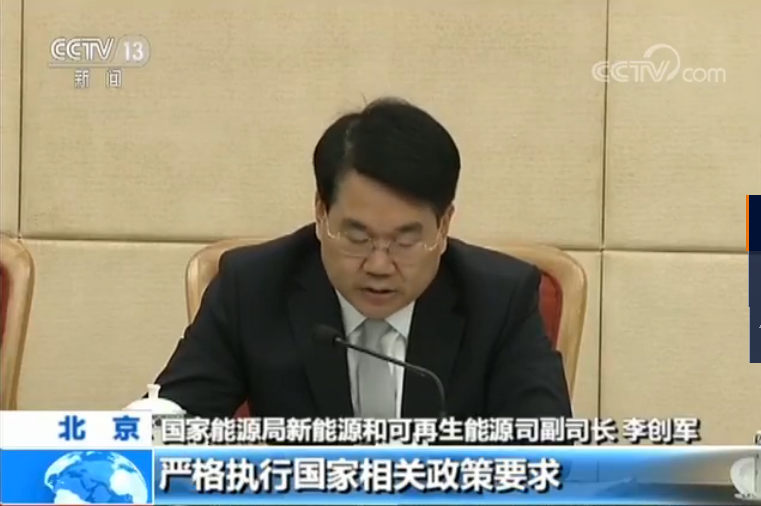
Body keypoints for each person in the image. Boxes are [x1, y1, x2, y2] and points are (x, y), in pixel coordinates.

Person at [152, 97, 572, 423]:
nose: (379, 265)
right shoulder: (254, 287)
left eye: (405, 241)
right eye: (357, 237)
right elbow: (173, 417)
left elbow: (547, 449)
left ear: (444, 226)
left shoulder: (500, 299)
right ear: (321, 214)